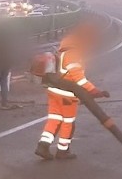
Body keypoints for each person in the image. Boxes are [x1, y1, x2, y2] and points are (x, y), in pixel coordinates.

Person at [34, 22, 109, 161]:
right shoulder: (73, 55)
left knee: (54, 119)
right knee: (68, 122)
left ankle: (43, 146)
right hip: (66, 95)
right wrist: (95, 91)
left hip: (53, 91)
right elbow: (79, 80)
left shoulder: (61, 53)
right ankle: (63, 151)